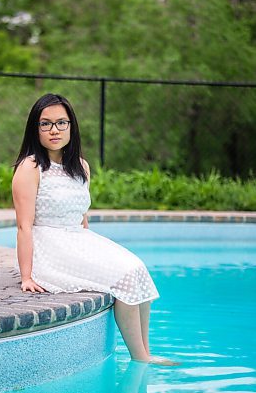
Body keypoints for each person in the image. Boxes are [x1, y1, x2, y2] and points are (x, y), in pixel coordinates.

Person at [12, 93, 178, 366]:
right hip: (48, 245)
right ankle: (140, 356)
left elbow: (82, 217)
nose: (54, 130)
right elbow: (23, 225)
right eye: (45, 124)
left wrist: (93, 248)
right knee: (122, 277)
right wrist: (26, 276)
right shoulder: (31, 167)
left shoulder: (81, 167)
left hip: (77, 239)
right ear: (35, 129)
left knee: (136, 268)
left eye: (61, 123)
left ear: (71, 127)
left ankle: (146, 351)